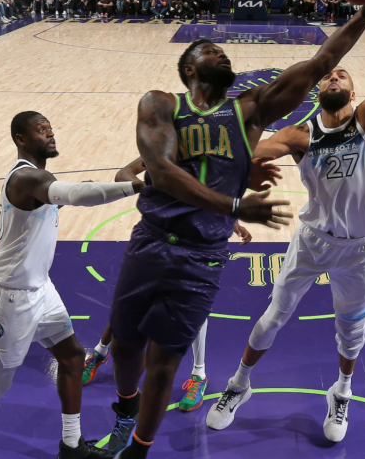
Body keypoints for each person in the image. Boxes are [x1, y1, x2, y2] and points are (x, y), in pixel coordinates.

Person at [105, 0, 365, 459]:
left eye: (224, 51)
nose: (222, 54)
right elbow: (166, 166)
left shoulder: (250, 111)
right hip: (155, 241)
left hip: (207, 252)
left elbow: (322, 59)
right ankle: (130, 413)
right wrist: (224, 197)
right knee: (125, 348)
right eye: (211, 51)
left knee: (164, 362)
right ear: (189, 69)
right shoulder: (162, 103)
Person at [205, 0, 365, 443]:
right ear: (319, 89)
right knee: (273, 316)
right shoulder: (300, 135)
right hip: (314, 241)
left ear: (354, 91)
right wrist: (237, 174)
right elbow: (245, 154)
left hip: (362, 249)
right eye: (328, 76)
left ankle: (341, 391)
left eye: (342, 76)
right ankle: (239, 384)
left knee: (351, 332)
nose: (333, 77)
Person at [0, 112, 144, 459]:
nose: (50, 133)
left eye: (51, 128)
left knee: (72, 357)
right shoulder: (27, 177)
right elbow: (76, 195)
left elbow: (54, 201)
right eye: (41, 129)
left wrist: (64, 199)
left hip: (40, 290)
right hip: (7, 298)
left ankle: (71, 446)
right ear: (21, 138)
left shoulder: (38, 182)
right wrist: (137, 186)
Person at [82, 157, 256, 418]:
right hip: (156, 238)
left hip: (197, 244)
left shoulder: (213, 157)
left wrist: (233, 224)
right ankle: (99, 352)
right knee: (131, 303)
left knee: (193, 307)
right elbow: (123, 173)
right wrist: (151, 191)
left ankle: (198, 376)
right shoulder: (163, 149)